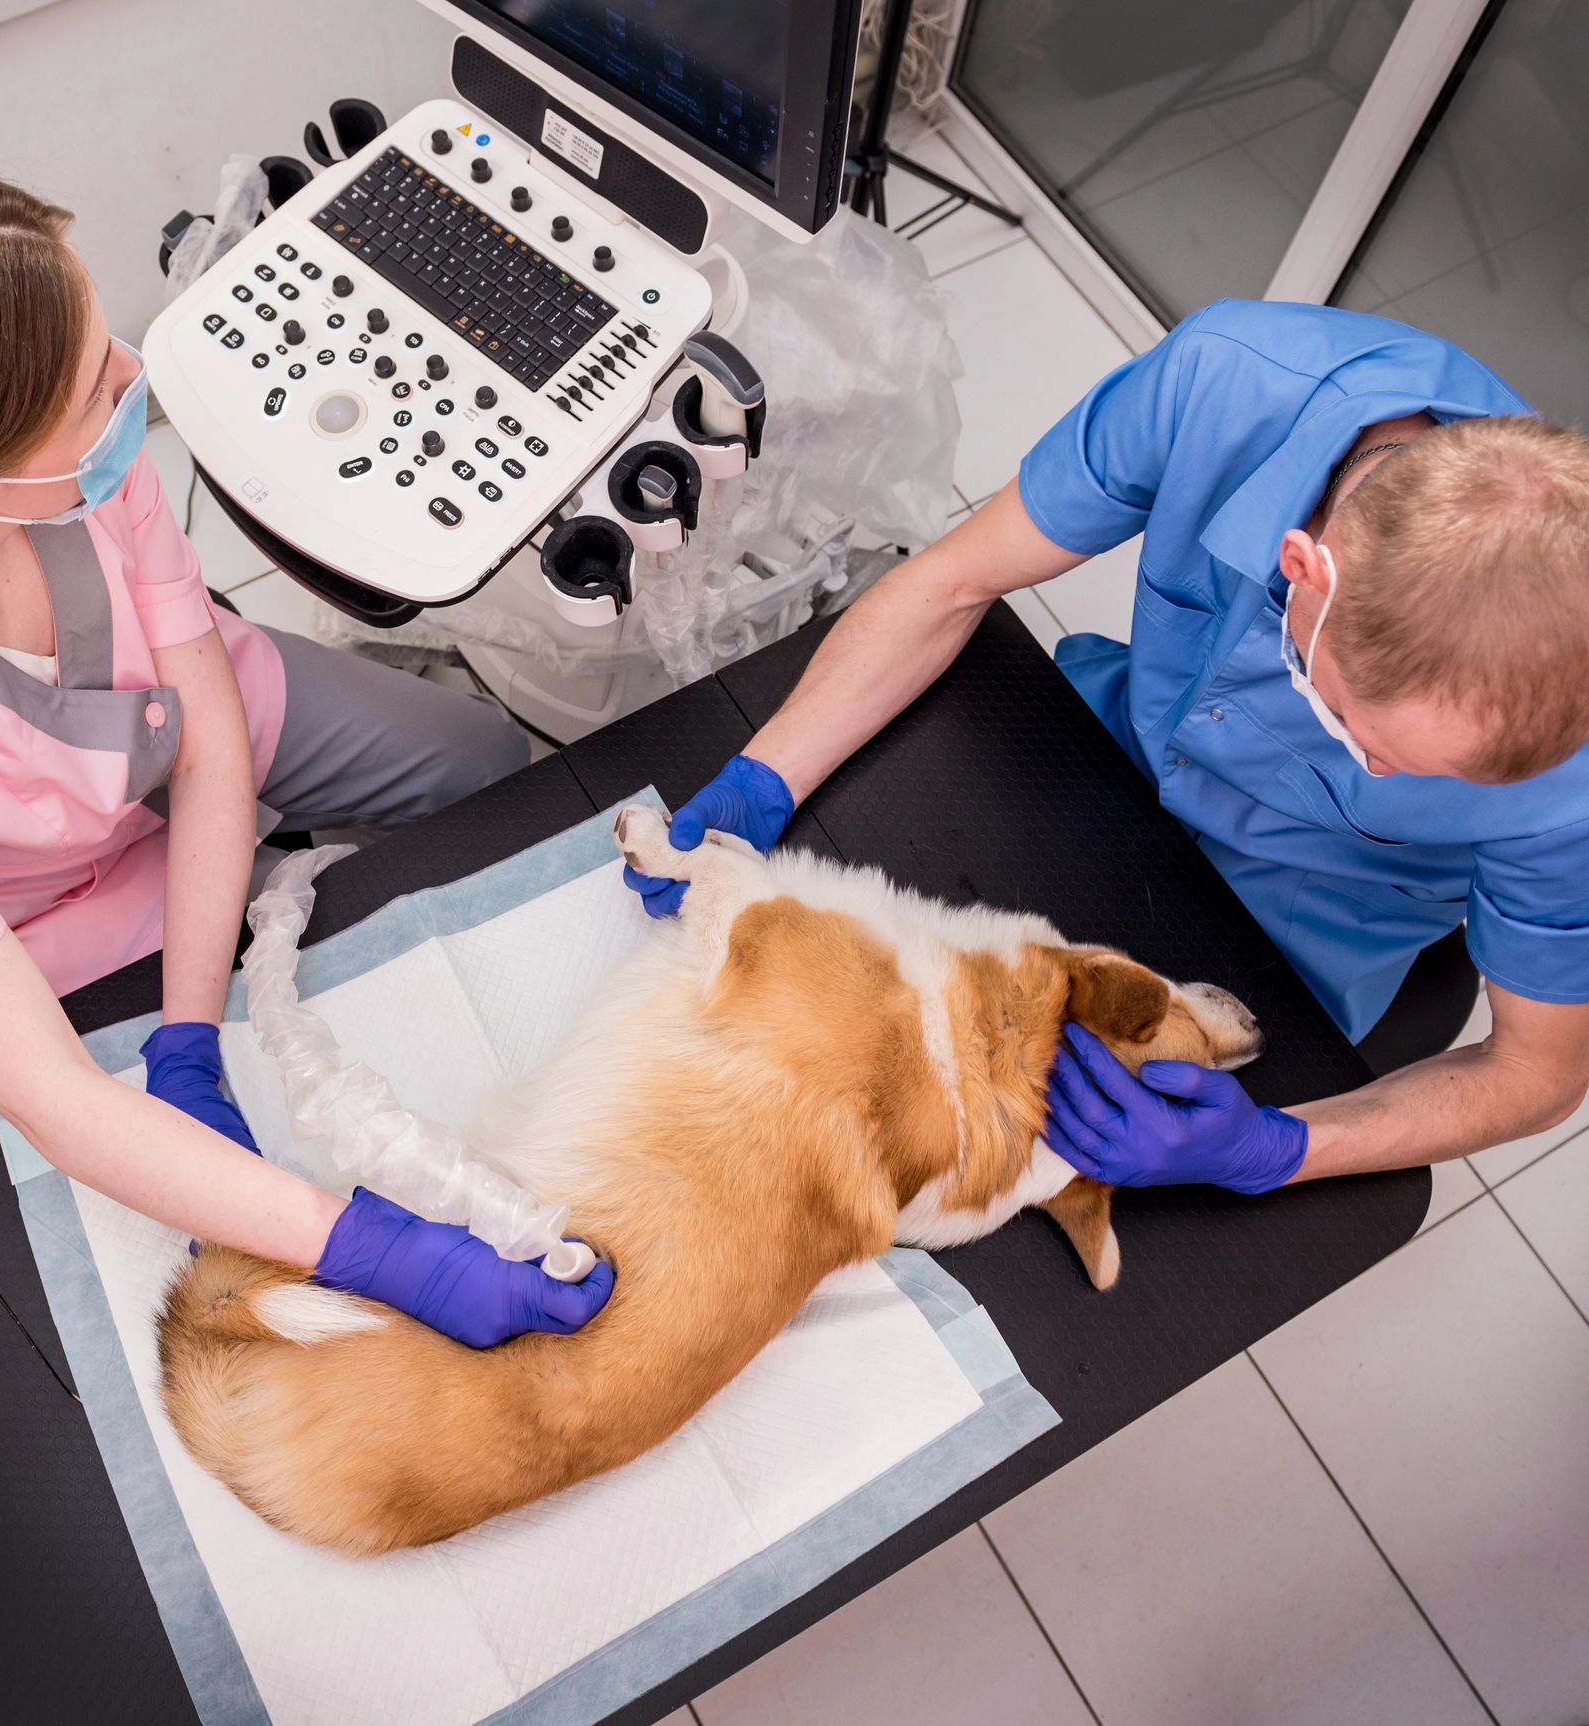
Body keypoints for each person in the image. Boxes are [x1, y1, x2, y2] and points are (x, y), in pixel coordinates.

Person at [0, 172, 611, 1345]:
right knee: (227, 1161)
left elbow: (209, 727)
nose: (133, 373)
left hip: (196, 718)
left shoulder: (76, 461)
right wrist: (372, 1250)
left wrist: (191, 1029)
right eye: (95, 385)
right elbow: (58, 1101)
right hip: (54, 903)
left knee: (485, 759)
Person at [627, 299, 1589, 1196]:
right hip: (1096, 759)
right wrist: (767, 773)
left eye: (1431, 775)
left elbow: (1537, 1075)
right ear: (1302, 570)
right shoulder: (1228, 381)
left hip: (1298, 933)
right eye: (1359, 732)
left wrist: (1278, 1149)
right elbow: (952, 584)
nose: (1375, 775)